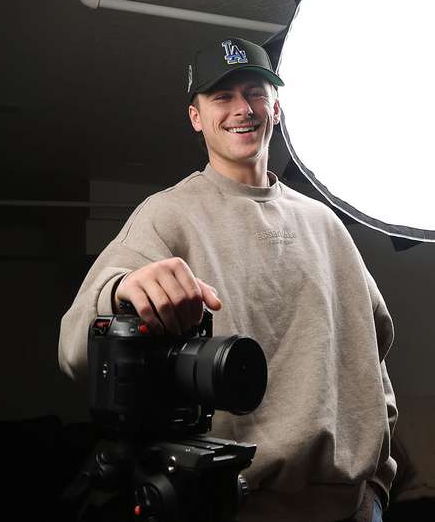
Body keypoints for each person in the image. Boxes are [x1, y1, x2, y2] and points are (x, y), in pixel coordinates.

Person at [59, 36, 396, 522]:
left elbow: (375, 359)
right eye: (223, 96)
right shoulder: (168, 215)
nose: (243, 108)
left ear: (276, 108)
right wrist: (122, 290)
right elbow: (73, 346)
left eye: (256, 93)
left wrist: (377, 486)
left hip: (353, 508)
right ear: (196, 116)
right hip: (237, 509)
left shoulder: (327, 225)